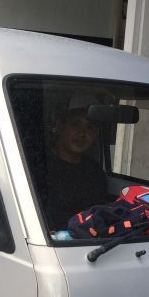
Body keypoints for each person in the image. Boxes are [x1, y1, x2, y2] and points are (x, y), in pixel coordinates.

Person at [39, 98, 109, 231]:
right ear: (60, 126)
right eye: (75, 124)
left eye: (90, 127)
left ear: (96, 135)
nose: (82, 133)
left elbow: (98, 215)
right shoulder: (40, 166)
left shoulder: (94, 172)